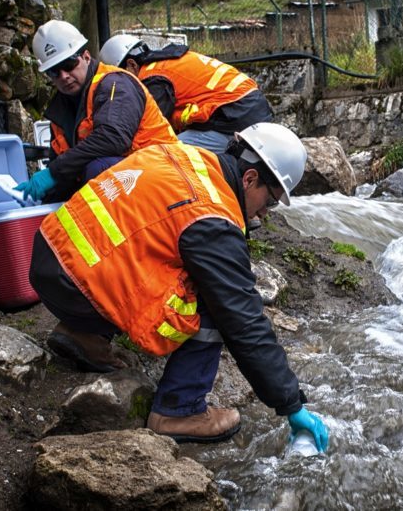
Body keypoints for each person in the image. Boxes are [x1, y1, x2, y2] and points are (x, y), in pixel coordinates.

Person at [27, 122, 329, 451]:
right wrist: (291, 404)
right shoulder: (212, 216)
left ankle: (82, 335)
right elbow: (244, 321)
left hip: (49, 258)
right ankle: (179, 410)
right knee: (214, 298)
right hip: (82, 290)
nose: (264, 214)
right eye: (269, 202)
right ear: (250, 178)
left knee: (150, 250)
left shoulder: (181, 155)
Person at [18, 21, 177, 203]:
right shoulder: (61, 109)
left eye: (69, 64)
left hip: (165, 174)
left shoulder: (115, 84)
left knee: (97, 169)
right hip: (137, 178)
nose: (64, 76)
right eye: (54, 72)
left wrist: (54, 172)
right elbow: (66, 166)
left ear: (86, 57)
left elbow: (113, 138)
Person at [98, 34, 273, 154]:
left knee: (166, 156)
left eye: (120, 76)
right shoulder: (167, 63)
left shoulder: (153, 79)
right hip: (247, 110)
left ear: (131, 64)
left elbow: (151, 129)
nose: (120, 84)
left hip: (235, 116)